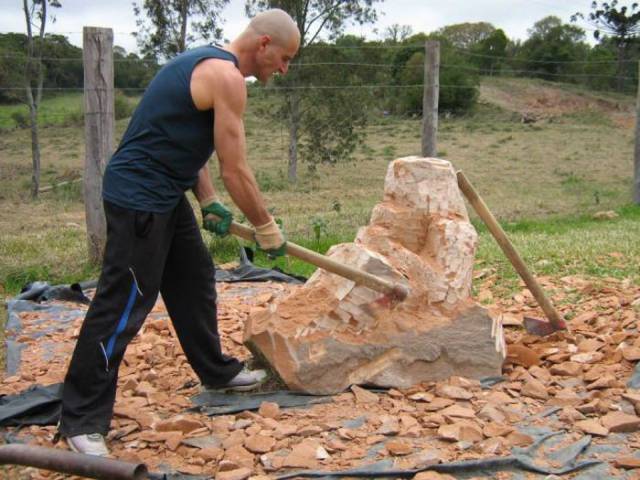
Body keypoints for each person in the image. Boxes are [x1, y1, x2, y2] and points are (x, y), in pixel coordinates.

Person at [57, 9, 300, 457]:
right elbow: (236, 169)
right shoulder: (225, 77)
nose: (283, 69)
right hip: (140, 198)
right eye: (284, 58)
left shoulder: (208, 65)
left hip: (166, 192)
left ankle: (217, 371)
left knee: (193, 278)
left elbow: (185, 142)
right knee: (124, 301)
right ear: (264, 44)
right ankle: (81, 420)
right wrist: (266, 227)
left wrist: (206, 200)